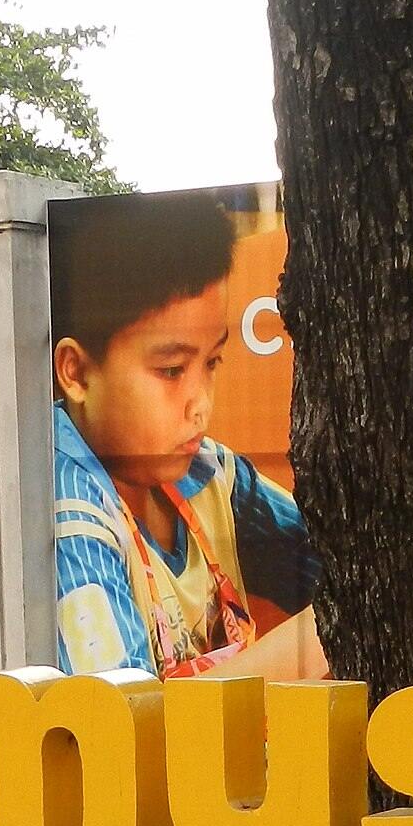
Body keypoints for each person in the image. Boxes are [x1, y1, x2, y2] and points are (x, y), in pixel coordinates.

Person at [50, 191, 323, 679]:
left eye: (212, 362)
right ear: (76, 373)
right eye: (173, 370)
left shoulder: (210, 472)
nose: (202, 404)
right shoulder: (69, 516)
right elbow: (121, 729)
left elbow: (333, 558)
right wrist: (322, 636)